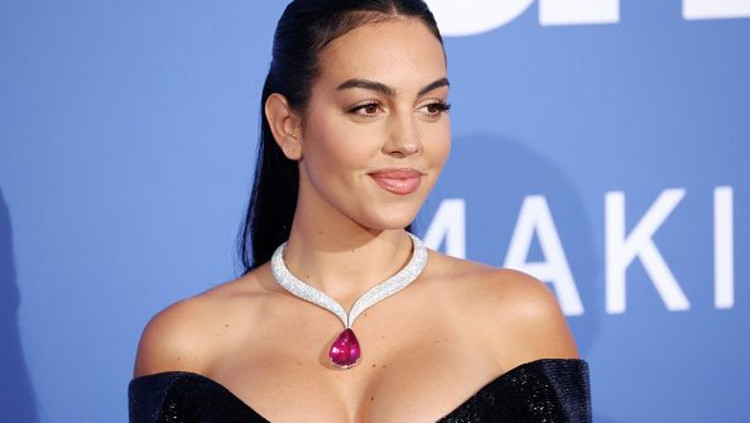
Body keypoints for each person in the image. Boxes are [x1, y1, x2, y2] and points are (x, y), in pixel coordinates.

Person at [128, 0, 592, 422]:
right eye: (368, 107)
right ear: (288, 125)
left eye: (432, 106)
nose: (409, 142)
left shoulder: (517, 316)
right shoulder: (186, 344)